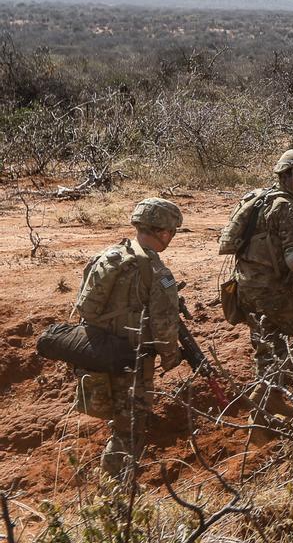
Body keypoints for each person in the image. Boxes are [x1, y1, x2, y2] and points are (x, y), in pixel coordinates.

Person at [73, 198, 183, 477]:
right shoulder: (158, 273)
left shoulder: (107, 256)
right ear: (164, 232)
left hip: (97, 351)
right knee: (129, 429)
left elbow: (82, 306)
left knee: (117, 421)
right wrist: (172, 356)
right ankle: (117, 492)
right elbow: (164, 327)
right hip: (131, 361)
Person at [232, 149, 293, 431]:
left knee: (269, 344)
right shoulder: (289, 209)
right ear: (285, 176)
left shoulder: (255, 199)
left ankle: (263, 415)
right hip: (271, 291)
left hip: (244, 288)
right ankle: (271, 394)